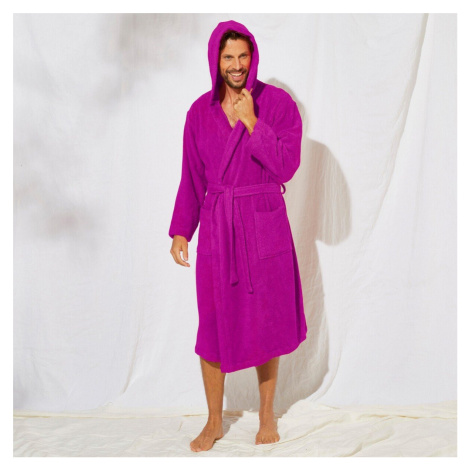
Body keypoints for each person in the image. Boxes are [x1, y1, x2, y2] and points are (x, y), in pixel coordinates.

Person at [169, 20, 307, 452]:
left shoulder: (277, 104)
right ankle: (214, 420)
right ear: (216, 60)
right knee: (211, 323)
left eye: (243, 56)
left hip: (263, 222)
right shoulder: (199, 112)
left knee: (267, 319)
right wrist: (181, 230)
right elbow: (192, 177)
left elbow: (286, 166)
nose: (236, 65)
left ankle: (267, 413)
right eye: (228, 56)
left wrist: (252, 123)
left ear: (253, 57)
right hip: (218, 227)